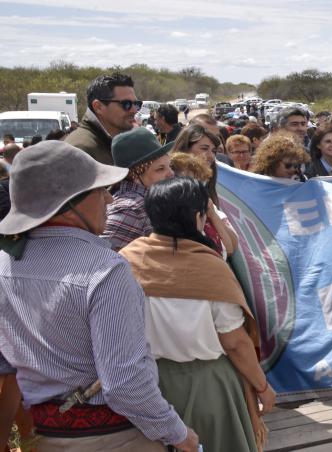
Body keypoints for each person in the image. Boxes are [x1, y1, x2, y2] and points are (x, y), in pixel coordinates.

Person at [0, 141, 198, 451]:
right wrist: (178, 433)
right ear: (71, 203)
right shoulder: (105, 270)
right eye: (99, 190)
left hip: (41, 437)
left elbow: (7, 365)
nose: (108, 198)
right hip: (112, 438)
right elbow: (124, 383)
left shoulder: (3, 264)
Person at [119, 177, 274, 452]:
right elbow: (235, 343)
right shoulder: (209, 266)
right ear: (198, 217)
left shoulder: (127, 260)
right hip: (210, 388)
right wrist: (262, 387)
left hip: (149, 387)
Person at [102, 127, 174, 251]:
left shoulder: (145, 201)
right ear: (135, 175)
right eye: (160, 169)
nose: (171, 173)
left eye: (170, 166)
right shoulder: (130, 208)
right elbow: (100, 256)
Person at [170, 125, 237, 257]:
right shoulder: (169, 196)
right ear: (185, 148)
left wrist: (212, 214)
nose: (211, 156)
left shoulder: (207, 196)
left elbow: (231, 247)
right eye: (204, 148)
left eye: (214, 151)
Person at [66, 73, 141, 164]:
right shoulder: (80, 150)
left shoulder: (115, 141)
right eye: (126, 104)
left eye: (137, 104)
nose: (134, 110)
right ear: (98, 107)